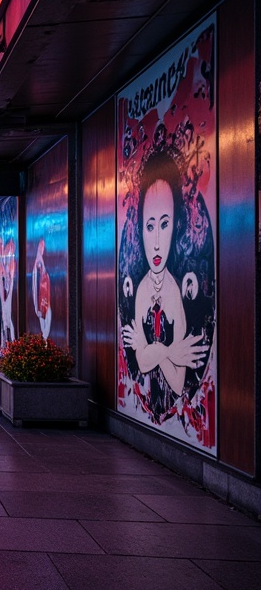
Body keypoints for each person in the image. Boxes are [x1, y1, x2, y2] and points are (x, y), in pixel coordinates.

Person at [121, 149, 208, 418]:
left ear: (177, 226)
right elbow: (140, 362)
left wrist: (149, 349)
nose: (157, 242)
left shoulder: (173, 292)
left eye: (164, 224)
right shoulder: (142, 291)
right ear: (141, 231)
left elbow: (177, 381)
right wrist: (170, 351)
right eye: (150, 226)